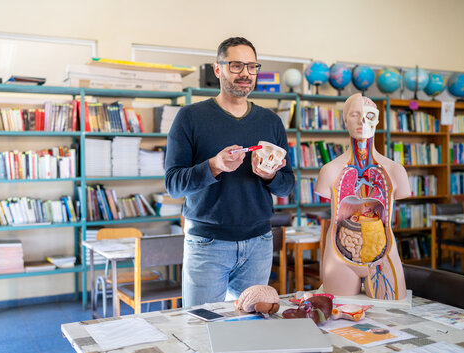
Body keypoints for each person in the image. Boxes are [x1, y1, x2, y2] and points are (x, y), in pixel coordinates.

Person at [165, 37, 295, 307]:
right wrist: (214, 166)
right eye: (236, 66)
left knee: (251, 328)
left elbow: (286, 186)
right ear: (218, 69)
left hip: (259, 243)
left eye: (251, 66)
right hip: (208, 244)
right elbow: (173, 184)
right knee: (201, 326)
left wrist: (269, 175)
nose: (245, 73)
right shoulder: (190, 117)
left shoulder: (271, 121)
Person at [315, 93, 410, 300]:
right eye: (355, 115)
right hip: (339, 255)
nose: (362, 121)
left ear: (377, 119)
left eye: (369, 115)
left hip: (384, 254)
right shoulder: (329, 171)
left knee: (391, 318)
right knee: (339, 316)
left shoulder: (395, 171)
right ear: (344, 120)